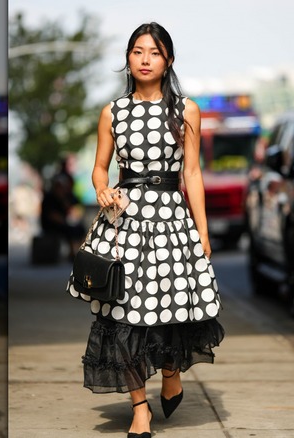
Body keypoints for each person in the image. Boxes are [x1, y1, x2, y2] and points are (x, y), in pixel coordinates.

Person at [65, 22, 225, 438]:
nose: (145, 59)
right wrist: (102, 190)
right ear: (128, 58)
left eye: (154, 52)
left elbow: (192, 171)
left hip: (172, 218)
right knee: (122, 315)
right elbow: (100, 167)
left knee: (171, 309)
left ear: (167, 58)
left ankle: (171, 371)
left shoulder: (186, 109)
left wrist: (203, 232)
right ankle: (140, 409)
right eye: (137, 51)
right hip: (125, 221)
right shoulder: (112, 112)